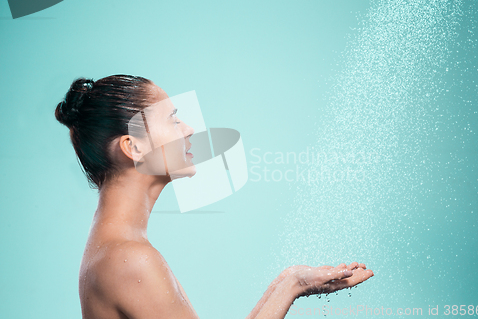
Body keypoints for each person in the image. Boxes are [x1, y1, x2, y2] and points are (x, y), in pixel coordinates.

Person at [55, 74, 374, 319]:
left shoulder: (114, 250)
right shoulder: (129, 260)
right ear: (134, 147)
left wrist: (288, 281)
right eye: (172, 118)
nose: (189, 129)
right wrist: (293, 285)